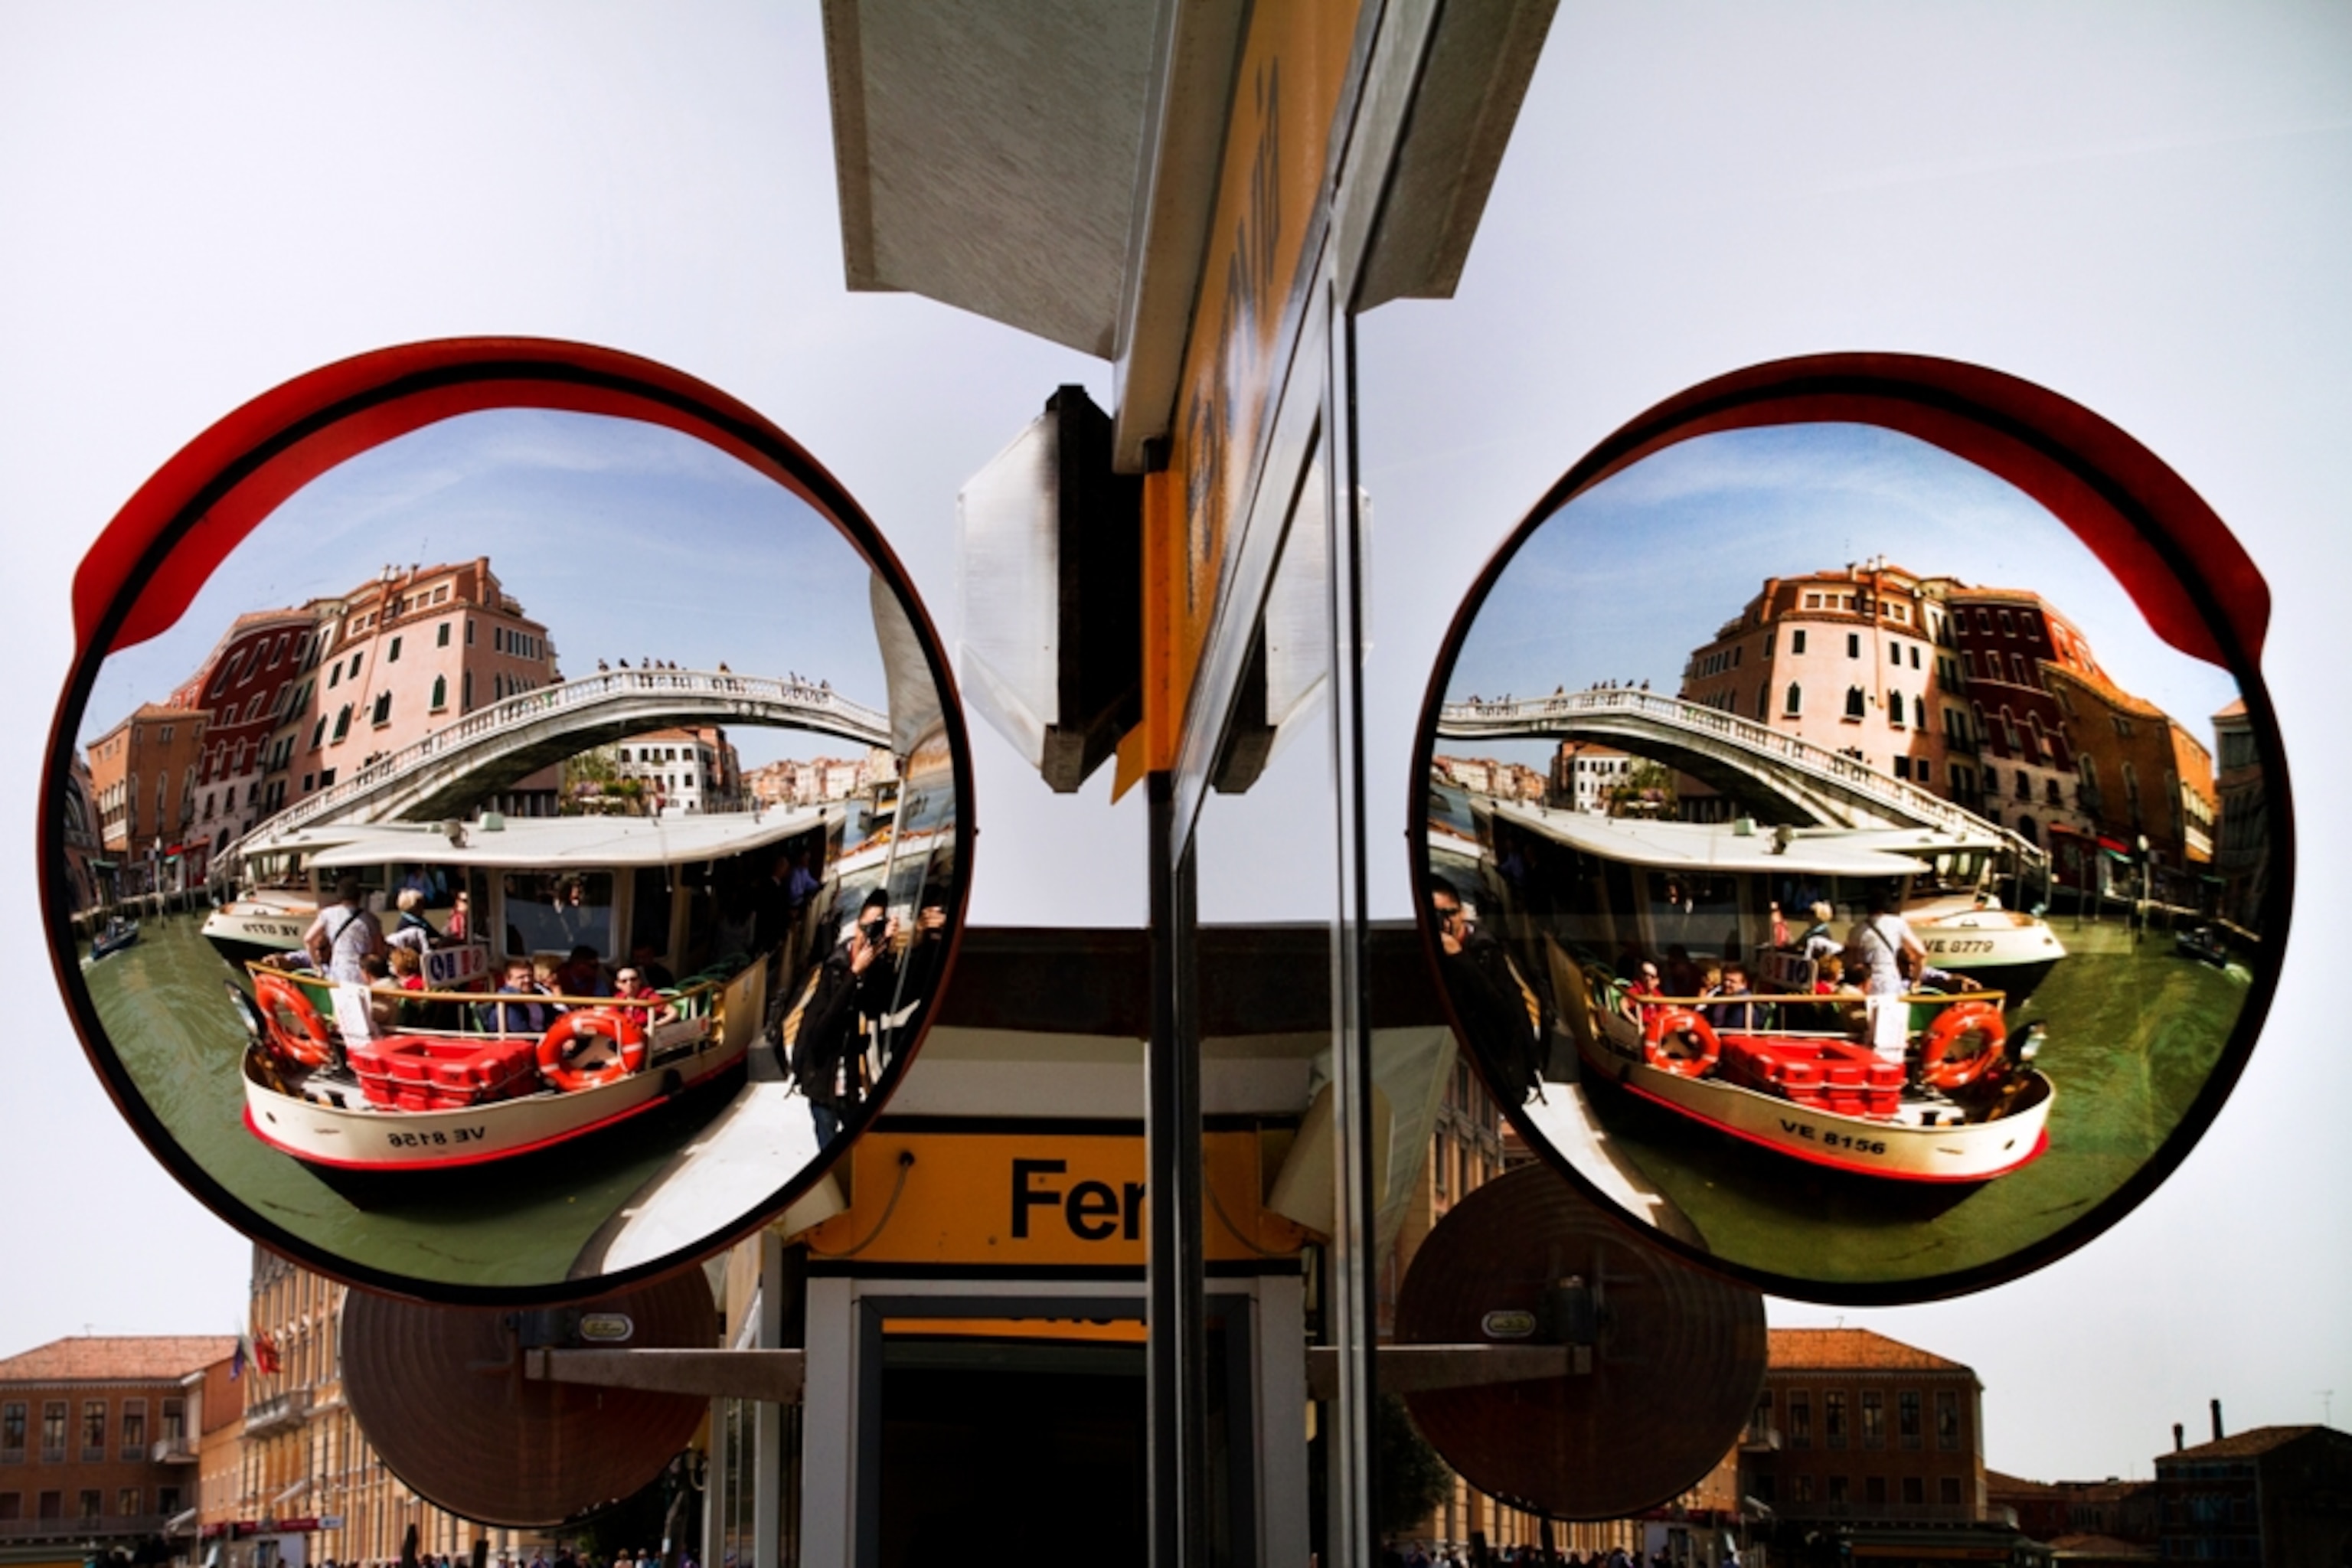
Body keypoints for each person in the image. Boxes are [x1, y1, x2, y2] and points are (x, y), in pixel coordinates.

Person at [792, 889, 899, 1145]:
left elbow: (878, 1007)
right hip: (822, 1079)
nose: (872, 932)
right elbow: (823, 1027)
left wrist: (889, 953)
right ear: (858, 928)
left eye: (879, 925)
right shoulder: (835, 967)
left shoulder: (872, 965)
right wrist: (853, 974)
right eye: (869, 926)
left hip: (849, 1084)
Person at [1429, 880, 1544, 1102]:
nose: (1444, 922)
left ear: (1462, 912)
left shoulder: (1486, 951)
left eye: (1450, 913)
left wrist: (1459, 958)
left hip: (1499, 1068)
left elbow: (1504, 1014)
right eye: (1435, 915)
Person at [1845, 884, 1926, 1067]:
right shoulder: (1898, 924)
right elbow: (1921, 952)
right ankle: (1896, 1066)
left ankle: (1870, 1065)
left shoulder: (1857, 930)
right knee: (1893, 1028)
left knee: (1871, 1028)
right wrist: (1916, 979)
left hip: (1868, 983)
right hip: (1890, 980)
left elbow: (1852, 963)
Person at [303, 876, 385, 982]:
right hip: (363, 972)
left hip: (338, 969)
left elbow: (308, 939)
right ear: (359, 896)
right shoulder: (371, 920)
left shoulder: (328, 914)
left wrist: (316, 965)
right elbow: (378, 951)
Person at [477, 958, 553, 1035]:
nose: (527, 980)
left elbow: (552, 1015)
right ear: (508, 979)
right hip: (526, 1041)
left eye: (530, 976)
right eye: (521, 977)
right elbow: (520, 1031)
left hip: (542, 1036)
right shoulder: (507, 1000)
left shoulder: (536, 992)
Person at [1706, 962, 1772, 1033]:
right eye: (1725, 980)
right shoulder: (1718, 995)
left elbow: (1734, 1027)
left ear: (1743, 984)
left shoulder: (1745, 1001)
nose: (1727, 984)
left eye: (1732, 981)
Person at [611, 964, 676, 1025]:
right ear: (618, 985)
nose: (629, 983)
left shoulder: (649, 995)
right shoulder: (618, 998)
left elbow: (674, 1013)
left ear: (639, 981)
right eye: (624, 981)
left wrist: (654, 1026)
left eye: (633, 979)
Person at [388, 887, 436, 956]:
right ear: (412, 906)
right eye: (420, 905)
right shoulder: (405, 925)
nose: (423, 909)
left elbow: (435, 934)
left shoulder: (422, 921)